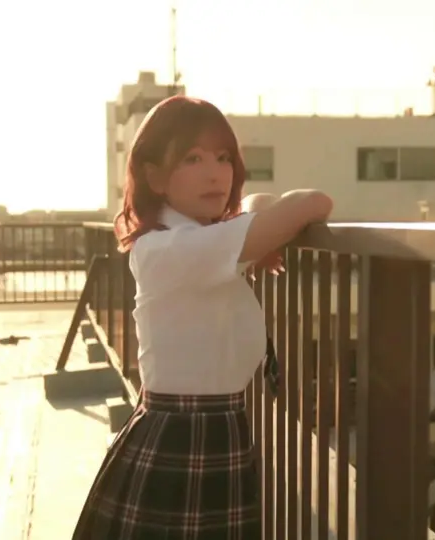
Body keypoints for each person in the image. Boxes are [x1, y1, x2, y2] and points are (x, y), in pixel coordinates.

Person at [72, 95, 333, 540]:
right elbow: (314, 202)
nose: (215, 173)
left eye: (223, 157)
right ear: (154, 176)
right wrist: (264, 233)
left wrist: (260, 235)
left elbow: (259, 203)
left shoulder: (197, 240)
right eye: (192, 158)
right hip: (187, 435)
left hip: (200, 429)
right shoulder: (178, 248)